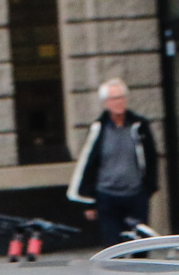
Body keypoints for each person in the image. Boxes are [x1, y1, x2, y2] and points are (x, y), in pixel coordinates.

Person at [68, 79, 159, 245]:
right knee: (113, 247)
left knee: (140, 246)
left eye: (122, 97)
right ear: (106, 103)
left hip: (135, 195)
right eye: (114, 98)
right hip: (107, 196)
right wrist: (89, 202)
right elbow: (89, 163)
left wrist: (149, 188)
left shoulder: (139, 126)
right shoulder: (98, 128)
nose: (119, 102)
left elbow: (151, 159)